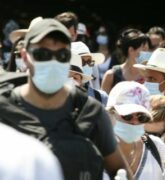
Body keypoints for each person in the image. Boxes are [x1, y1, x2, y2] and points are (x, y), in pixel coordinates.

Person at [13, 18, 130, 178]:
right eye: (42, 54)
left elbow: (120, 172)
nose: (53, 62)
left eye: (62, 54)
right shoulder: (6, 107)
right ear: (25, 56)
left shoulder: (93, 112)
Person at [106, 81, 165, 180]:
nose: (134, 122)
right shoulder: (91, 151)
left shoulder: (156, 146)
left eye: (141, 117)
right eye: (127, 116)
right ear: (110, 114)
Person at [101, 28, 148, 94]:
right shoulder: (111, 75)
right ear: (131, 50)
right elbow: (103, 102)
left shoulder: (149, 77)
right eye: (143, 49)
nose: (147, 53)